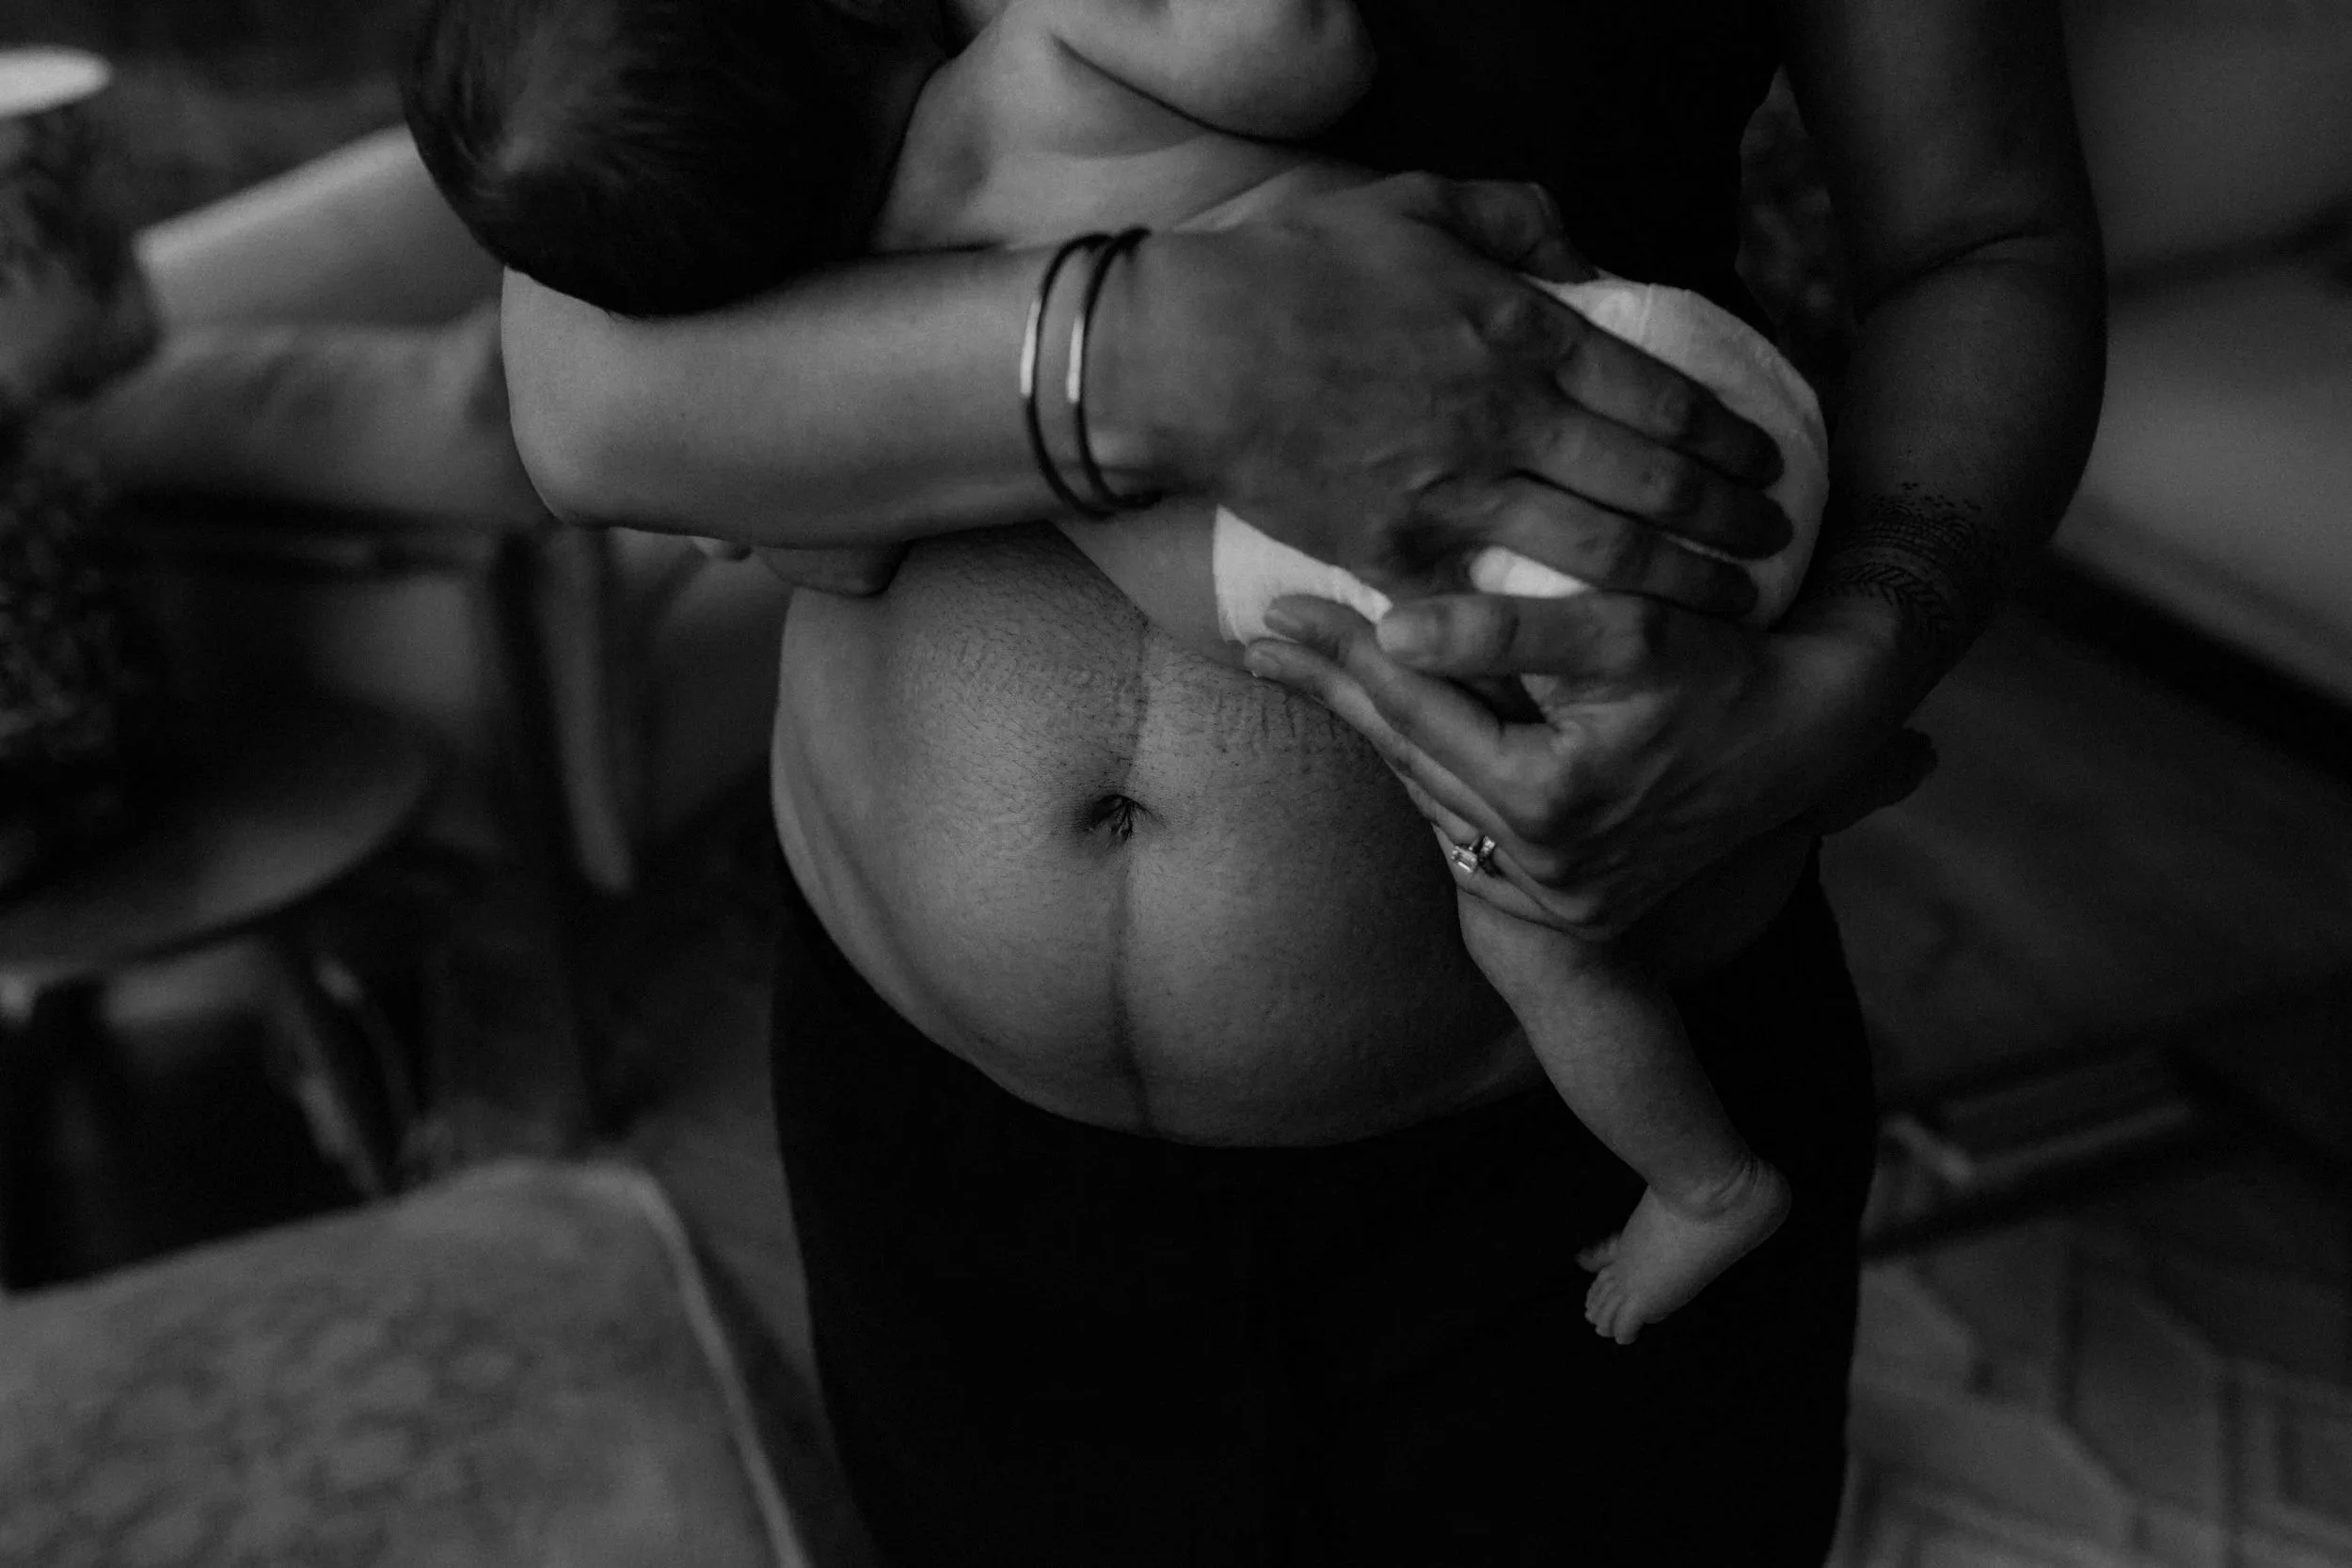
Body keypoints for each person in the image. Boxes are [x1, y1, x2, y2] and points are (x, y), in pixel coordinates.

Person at [465, 0, 2107, 1560]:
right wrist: (1168, 353)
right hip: (944, 1158)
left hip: (1550, 1153)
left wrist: (1856, 667)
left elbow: (1988, 241)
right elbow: (584, 389)